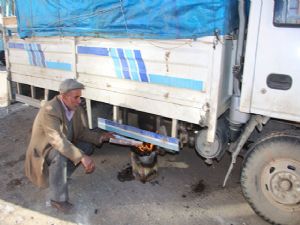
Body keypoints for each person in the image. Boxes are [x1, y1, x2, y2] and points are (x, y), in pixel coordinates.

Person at [25, 79, 114, 213]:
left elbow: (81, 132)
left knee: (88, 146)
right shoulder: (49, 110)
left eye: (80, 97)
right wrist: (81, 156)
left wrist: (101, 137)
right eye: (76, 97)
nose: (79, 101)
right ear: (64, 96)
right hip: (45, 150)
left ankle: (61, 176)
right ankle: (57, 199)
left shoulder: (73, 107)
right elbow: (58, 141)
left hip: (63, 144)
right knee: (60, 155)